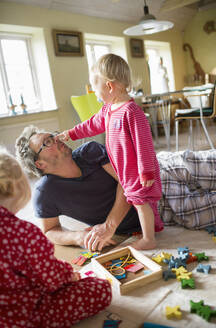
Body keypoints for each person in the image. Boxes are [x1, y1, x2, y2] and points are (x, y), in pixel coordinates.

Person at [57, 53, 164, 250]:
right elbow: (92, 125)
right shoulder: (108, 110)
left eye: (95, 89)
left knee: (141, 202)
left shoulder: (132, 112)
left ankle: (149, 239)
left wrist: (147, 170)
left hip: (137, 171)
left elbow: (145, 144)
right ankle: (152, 227)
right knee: (136, 200)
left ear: (109, 86)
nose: (94, 95)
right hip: (124, 170)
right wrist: (71, 133)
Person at [0, 146, 112, 328]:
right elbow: (50, 277)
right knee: (101, 288)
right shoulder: (23, 232)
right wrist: (70, 275)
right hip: (22, 315)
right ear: (17, 188)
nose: (57, 140)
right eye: (46, 143)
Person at [15, 125, 143, 252]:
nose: (57, 139)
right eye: (47, 142)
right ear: (40, 164)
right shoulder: (44, 193)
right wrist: (78, 237)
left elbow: (128, 182)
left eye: (52, 136)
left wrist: (109, 225)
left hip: (150, 194)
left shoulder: (91, 151)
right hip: (127, 232)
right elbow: (49, 230)